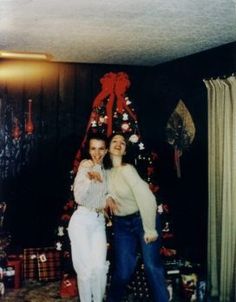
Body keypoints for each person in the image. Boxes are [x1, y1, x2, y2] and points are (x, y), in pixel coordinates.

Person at [105, 133, 169, 302]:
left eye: (123, 143)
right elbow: (99, 189)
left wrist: (149, 228)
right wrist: (107, 197)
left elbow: (148, 198)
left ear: (125, 150)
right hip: (121, 224)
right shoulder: (105, 172)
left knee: (151, 266)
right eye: (114, 141)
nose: (119, 144)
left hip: (142, 219)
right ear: (108, 147)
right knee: (124, 271)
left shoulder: (128, 170)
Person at [68, 133, 111, 302]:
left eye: (101, 149)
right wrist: (90, 176)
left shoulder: (107, 171)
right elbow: (78, 197)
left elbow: (108, 195)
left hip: (98, 221)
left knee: (99, 267)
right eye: (93, 148)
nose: (97, 153)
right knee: (85, 269)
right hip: (81, 220)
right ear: (89, 150)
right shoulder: (85, 166)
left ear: (106, 150)